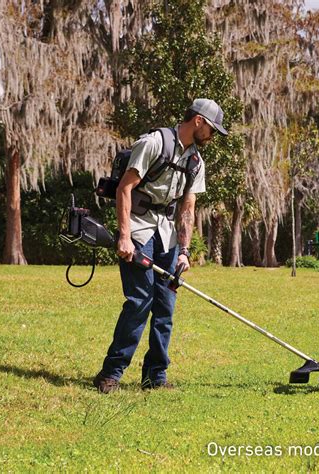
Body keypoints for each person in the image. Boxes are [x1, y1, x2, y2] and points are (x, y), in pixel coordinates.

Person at [93, 98, 228, 393]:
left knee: (165, 306)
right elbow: (124, 188)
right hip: (139, 230)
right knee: (139, 302)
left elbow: (188, 208)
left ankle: (155, 377)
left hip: (167, 235)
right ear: (199, 122)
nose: (213, 136)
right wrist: (125, 235)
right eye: (213, 129)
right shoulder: (154, 143)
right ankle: (111, 373)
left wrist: (184, 252)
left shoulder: (196, 162)